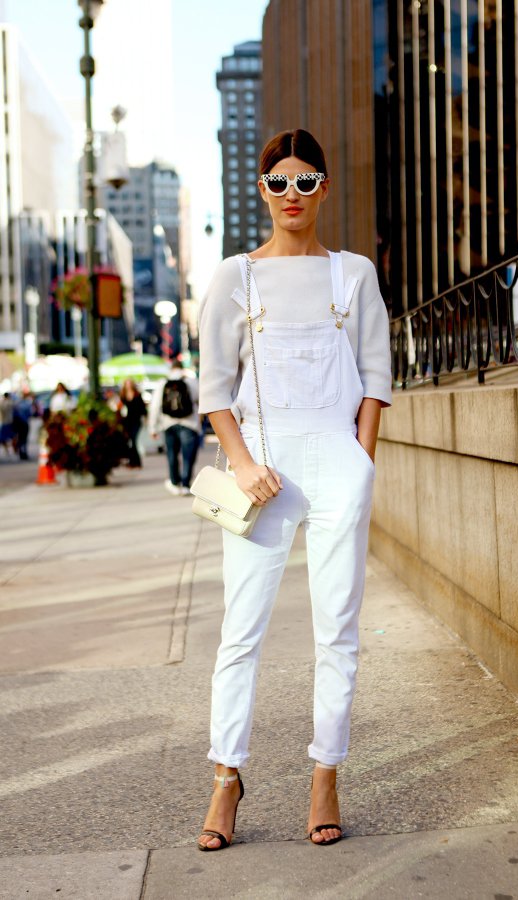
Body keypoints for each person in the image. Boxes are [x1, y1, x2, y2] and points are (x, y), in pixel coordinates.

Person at [197, 129, 392, 851]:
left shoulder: (353, 274)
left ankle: (326, 773)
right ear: (261, 189)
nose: (292, 197)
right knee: (239, 633)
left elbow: (376, 375)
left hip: (338, 462)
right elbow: (213, 385)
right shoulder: (235, 277)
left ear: (325, 189)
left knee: (337, 631)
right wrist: (242, 462)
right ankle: (225, 779)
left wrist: (360, 461)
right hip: (260, 471)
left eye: (307, 183)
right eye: (279, 183)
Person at [148, 362, 200, 495]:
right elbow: (201, 399)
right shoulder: (191, 382)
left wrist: (153, 428)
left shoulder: (162, 383)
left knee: (172, 455)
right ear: (182, 368)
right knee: (187, 456)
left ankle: (174, 482)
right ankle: (185, 483)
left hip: (168, 424)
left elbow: (154, 407)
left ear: (171, 369)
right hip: (189, 424)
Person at [118, 379, 146, 468]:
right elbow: (120, 408)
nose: (128, 385)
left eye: (130, 384)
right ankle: (132, 462)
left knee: (134, 441)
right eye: (127, 384)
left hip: (136, 421)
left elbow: (143, 409)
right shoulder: (122, 396)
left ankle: (136, 462)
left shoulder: (137, 395)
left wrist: (145, 418)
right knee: (129, 441)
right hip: (126, 422)